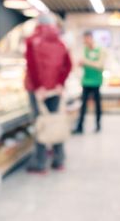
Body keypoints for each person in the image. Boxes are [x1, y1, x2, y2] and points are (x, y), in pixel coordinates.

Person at [25, 14, 72, 173]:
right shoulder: (60, 42)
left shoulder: (32, 40)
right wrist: (60, 83)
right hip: (54, 90)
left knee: (41, 124)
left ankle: (40, 163)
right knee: (55, 121)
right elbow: (68, 65)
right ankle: (59, 160)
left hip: (38, 90)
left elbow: (32, 65)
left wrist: (39, 87)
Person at [73, 31, 106, 134]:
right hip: (86, 81)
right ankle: (80, 126)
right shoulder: (84, 50)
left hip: (96, 82)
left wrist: (86, 62)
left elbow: (100, 65)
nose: (85, 41)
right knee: (83, 106)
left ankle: (98, 125)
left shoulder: (100, 50)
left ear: (91, 38)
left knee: (97, 105)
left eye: (86, 39)